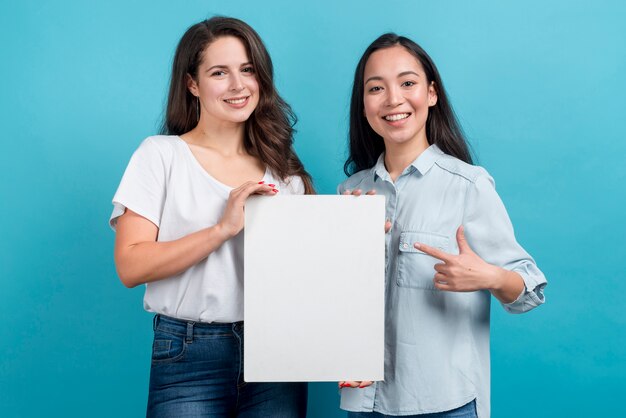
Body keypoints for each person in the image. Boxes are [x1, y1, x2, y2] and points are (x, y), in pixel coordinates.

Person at [109, 16, 312, 417]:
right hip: (189, 350)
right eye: (220, 72)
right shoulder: (161, 156)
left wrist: (354, 233)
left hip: (277, 351)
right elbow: (130, 265)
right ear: (192, 84)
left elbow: (305, 277)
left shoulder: (283, 170)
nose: (238, 85)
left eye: (248, 70)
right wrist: (221, 230)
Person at [337, 33, 547, 418]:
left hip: (443, 403)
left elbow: (529, 289)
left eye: (407, 83)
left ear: (431, 94)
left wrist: (489, 276)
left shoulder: (469, 185)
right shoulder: (350, 192)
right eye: (375, 88)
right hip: (364, 403)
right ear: (363, 104)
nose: (393, 99)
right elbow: (335, 301)